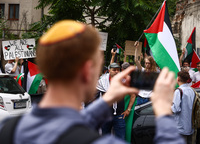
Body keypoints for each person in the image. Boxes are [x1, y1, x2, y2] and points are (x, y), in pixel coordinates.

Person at [0, 20, 184, 144]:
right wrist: (164, 112)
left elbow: (65, 126)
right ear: (87, 71)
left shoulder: (9, 129)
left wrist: (106, 101)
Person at [96, 62, 135, 140]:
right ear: (109, 70)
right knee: (104, 138)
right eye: (114, 70)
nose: (116, 71)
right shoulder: (102, 81)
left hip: (119, 116)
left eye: (118, 70)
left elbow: (133, 95)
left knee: (120, 139)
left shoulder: (124, 81)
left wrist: (128, 109)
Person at [172, 71, 195, 144]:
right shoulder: (192, 90)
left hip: (180, 127)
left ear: (178, 79)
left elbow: (176, 109)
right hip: (191, 127)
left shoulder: (178, 91)